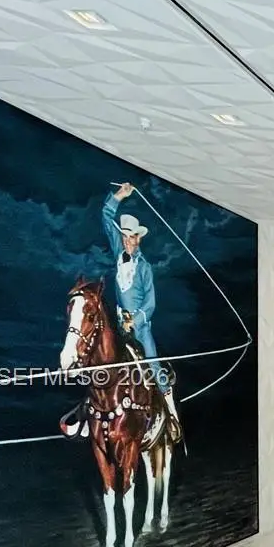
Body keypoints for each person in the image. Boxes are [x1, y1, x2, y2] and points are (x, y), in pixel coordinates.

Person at [104, 182, 179, 434]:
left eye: (131, 237)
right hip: (118, 325)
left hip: (140, 328)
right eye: (124, 237)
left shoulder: (145, 268)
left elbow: (151, 303)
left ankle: (172, 417)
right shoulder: (118, 252)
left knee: (153, 365)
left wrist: (134, 321)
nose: (127, 241)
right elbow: (106, 215)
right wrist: (119, 196)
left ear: (138, 239)